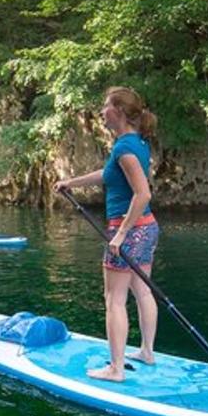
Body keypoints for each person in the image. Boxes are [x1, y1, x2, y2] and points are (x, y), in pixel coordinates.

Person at [54, 87, 159, 382]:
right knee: (143, 290)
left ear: (120, 112)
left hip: (129, 230)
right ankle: (147, 352)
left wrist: (121, 234)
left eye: (105, 107)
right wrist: (70, 183)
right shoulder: (135, 143)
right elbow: (108, 174)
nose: (101, 112)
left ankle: (115, 369)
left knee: (113, 299)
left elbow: (142, 194)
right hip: (148, 228)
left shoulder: (124, 149)